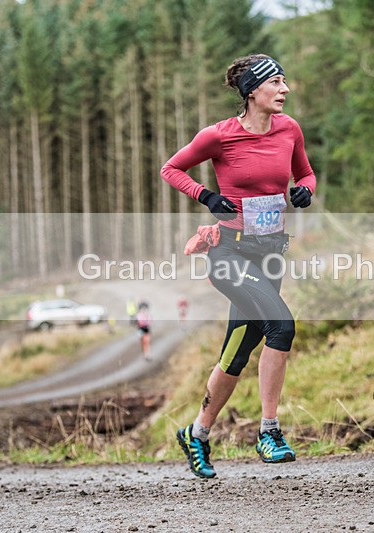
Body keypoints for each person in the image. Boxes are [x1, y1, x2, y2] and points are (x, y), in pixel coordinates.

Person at [161, 54, 316, 478]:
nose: (285, 90)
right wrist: (206, 196)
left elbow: (305, 174)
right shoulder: (219, 136)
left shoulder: (289, 129)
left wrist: (304, 190)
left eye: (284, 82)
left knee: (237, 350)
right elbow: (171, 168)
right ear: (252, 91)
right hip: (230, 253)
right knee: (281, 327)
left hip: (271, 252)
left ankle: (196, 432)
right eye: (276, 82)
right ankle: (270, 432)